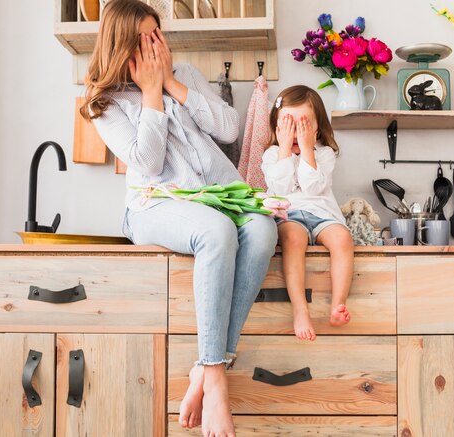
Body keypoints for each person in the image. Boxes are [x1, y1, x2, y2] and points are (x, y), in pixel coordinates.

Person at [80, 1, 277, 435]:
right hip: (155, 205)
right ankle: (215, 376)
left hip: (221, 196)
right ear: (123, 46)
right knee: (216, 232)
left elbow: (229, 129)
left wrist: (169, 82)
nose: (157, 45)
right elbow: (148, 163)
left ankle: (204, 371)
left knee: (263, 228)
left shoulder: (184, 74)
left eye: (159, 34)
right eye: (145, 39)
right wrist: (151, 94)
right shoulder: (105, 103)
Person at [261, 85, 354, 341]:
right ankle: (300, 309)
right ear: (277, 127)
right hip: (289, 215)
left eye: (302, 125)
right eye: (288, 125)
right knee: (293, 239)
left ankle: (337, 304)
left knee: (343, 239)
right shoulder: (271, 155)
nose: (295, 134)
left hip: (323, 215)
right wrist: (283, 151)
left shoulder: (324, 154)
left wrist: (307, 149)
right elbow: (280, 188)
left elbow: (313, 187)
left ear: (316, 128)